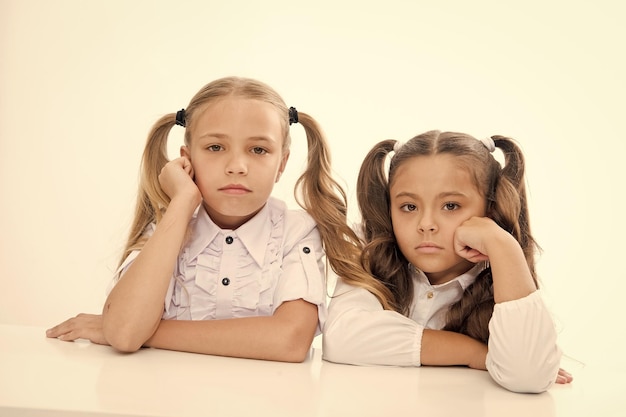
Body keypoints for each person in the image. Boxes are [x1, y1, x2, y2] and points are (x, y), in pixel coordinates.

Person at [46, 76, 358, 363]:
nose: (237, 166)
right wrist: (182, 202)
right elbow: (127, 332)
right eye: (215, 147)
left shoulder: (297, 232)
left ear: (282, 163)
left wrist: (147, 334)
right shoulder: (168, 230)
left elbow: (289, 341)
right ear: (187, 158)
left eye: (259, 149)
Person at [322, 130, 573, 392]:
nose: (426, 224)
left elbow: (528, 376)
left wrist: (503, 246)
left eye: (450, 206)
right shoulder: (368, 249)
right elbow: (342, 337)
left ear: (490, 209)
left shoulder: (504, 267)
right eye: (409, 207)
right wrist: (475, 353)